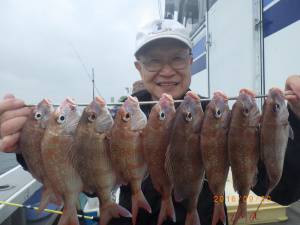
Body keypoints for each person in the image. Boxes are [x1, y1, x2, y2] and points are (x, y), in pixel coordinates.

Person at [0, 19, 300, 225]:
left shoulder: (217, 117)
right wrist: (26, 146)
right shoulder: (115, 120)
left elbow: (283, 190)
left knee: (218, 191)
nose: (166, 71)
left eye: (177, 59)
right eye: (154, 61)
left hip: (205, 210)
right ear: (138, 67)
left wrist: (296, 119)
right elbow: (92, 182)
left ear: (190, 60)